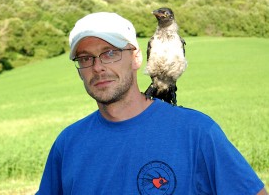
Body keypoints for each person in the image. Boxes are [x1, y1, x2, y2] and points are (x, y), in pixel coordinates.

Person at [36, 12, 267, 195]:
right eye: (86, 58)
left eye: (110, 53)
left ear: (136, 57)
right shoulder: (68, 143)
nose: (98, 67)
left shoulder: (196, 132)